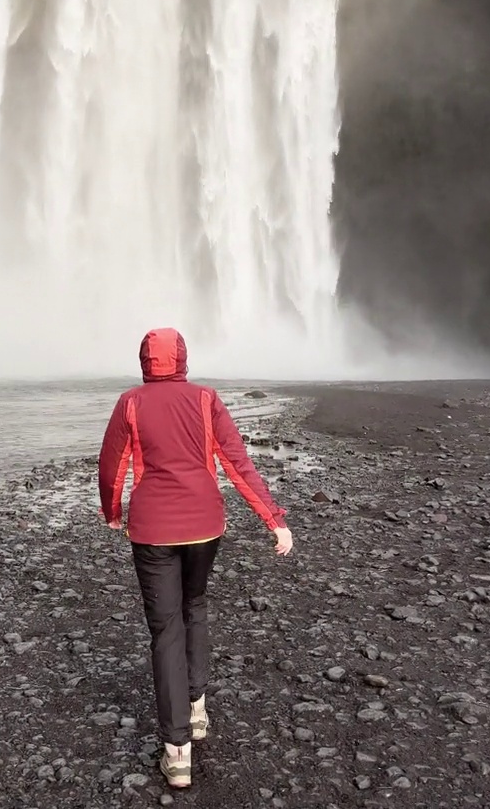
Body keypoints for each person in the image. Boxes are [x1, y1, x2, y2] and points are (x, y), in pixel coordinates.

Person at [98, 326, 293, 790]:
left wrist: (112, 512)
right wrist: (274, 519)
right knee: (195, 606)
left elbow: (111, 466)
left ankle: (177, 752)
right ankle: (197, 708)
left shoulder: (130, 402)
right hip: (206, 526)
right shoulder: (207, 400)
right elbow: (237, 463)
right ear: (183, 359)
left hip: (152, 531)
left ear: (145, 361)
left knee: (166, 630)